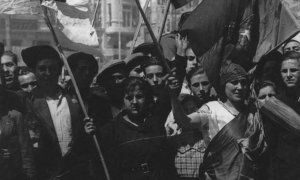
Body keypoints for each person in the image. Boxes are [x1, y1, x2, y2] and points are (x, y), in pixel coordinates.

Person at [167, 63, 266, 180]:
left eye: (243, 83)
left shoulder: (254, 111)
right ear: (224, 84)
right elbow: (185, 122)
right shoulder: (212, 109)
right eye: (234, 82)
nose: (239, 87)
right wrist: (173, 96)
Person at [85, 77, 177, 180]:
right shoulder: (112, 128)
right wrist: (88, 134)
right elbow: (95, 157)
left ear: (147, 98)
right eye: (129, 98)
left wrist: (174, 78)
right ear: (122, 100)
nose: (134, 102)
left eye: (139, 96)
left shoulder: (156, 118)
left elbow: (171, 90)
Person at [22, 45, 91, 180]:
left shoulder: (75, 99)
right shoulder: (28, 102)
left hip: (74, 172)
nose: (48, 73)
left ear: (59, 71)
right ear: (34, 71)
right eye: (42, 69)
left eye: (52, 69)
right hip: (45, 173)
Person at [165, 67, 215, 179]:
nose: (201, 89)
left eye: (205, 83)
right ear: (190, 86)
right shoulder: (180, 107)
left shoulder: (218, 105)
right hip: (189, 170)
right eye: (196, 85)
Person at [261, 51, 300, 180]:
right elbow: (271, 148)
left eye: (293, 70)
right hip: (287, 173)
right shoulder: (274, 105)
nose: (288, 75)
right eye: (284, 71)